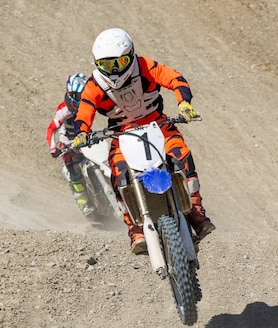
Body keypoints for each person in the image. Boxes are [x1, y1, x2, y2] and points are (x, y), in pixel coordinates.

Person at [73, 28, 215, 254]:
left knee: (182, 155)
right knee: (118, 173)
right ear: (97, 64)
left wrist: (184, 103)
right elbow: (85, 109)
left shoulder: (145, 65)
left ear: (131, 55)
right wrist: (82, 131)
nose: (115, 70)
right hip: (122, 133)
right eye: (108, 66)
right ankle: (134, 228)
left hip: (158, 123)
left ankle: (196, 210)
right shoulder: (95, 84)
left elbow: (174, 78)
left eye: (120, 62)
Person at [46, 72, 95, 216]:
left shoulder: (91, 102)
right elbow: (51, 128)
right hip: (68, 144)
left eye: (84, 94)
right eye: (79, 95)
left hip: (86, 139)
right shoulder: (64, 109)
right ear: (71, 94)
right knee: (75, 172)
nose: (82, 98)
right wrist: (53, 148)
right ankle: (84, 203)